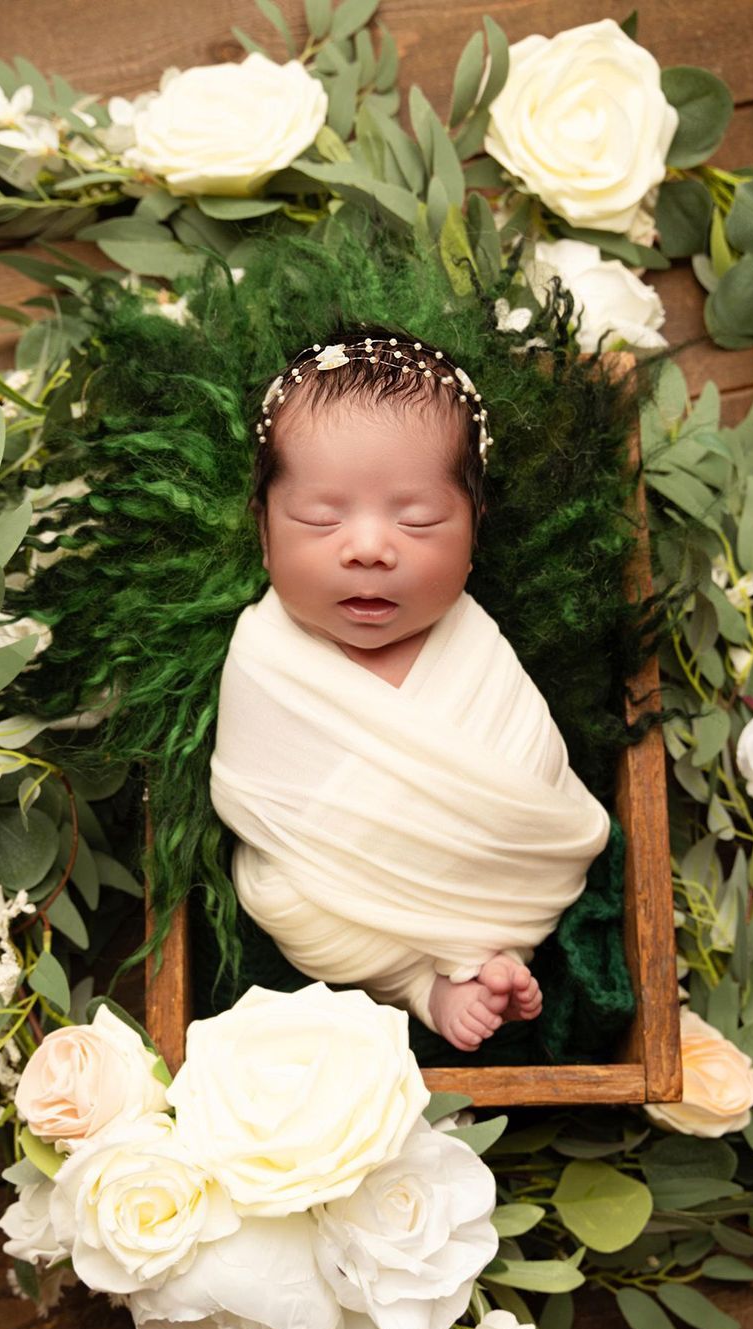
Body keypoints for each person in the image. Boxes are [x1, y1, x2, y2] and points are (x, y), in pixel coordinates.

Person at [208, 325, 611, 1052]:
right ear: (265, 534)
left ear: (473, 533)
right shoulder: (266, 656)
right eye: (320, 518)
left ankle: (487, 957)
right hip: (339, 902)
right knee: (285, 898)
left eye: (418, 519)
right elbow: (259, 802)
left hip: (497, 883)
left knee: (536, 819)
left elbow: (534, 795)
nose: (368, 547)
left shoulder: (472, 645)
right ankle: (419, 984)